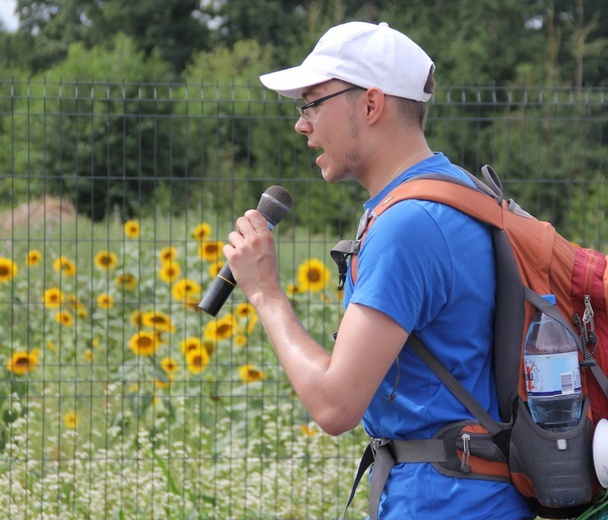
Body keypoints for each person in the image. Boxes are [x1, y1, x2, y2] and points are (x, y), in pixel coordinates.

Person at [224, 21, 533, 520]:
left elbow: (334, 406)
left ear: (370, 104)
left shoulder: (407, 226)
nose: (302, 124)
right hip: (477, 493)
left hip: (444, 504)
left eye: (312, 103)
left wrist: (265, 293)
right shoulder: (460, 192)